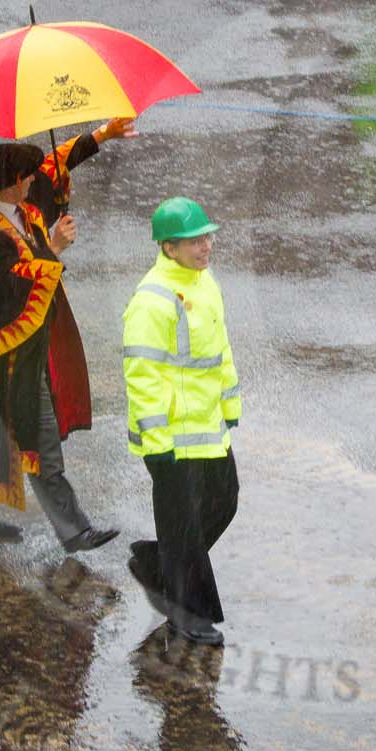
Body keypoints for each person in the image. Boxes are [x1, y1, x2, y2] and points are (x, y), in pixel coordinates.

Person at [0, 134, 130, 551]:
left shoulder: (21, 212)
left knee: (39, 440)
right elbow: (8, 289)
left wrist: (100, 135)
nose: (35, 180)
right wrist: (52, 248)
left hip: (25, 360)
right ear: (11, 182)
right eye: (26, 176)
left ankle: (72, 529)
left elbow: (53, 170)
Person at [123, 197, 242, 646]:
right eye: (195, 241)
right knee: (184, 527)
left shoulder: (204, 282)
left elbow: (220, 350)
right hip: (170, 439)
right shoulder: (151, 299)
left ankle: (159, 565)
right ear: (168, 247)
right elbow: (142, 373)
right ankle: (186, 613)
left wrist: (230, 406)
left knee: (225, 501)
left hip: (208, 428)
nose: (205, 246)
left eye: (207, 237)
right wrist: (157, 440)